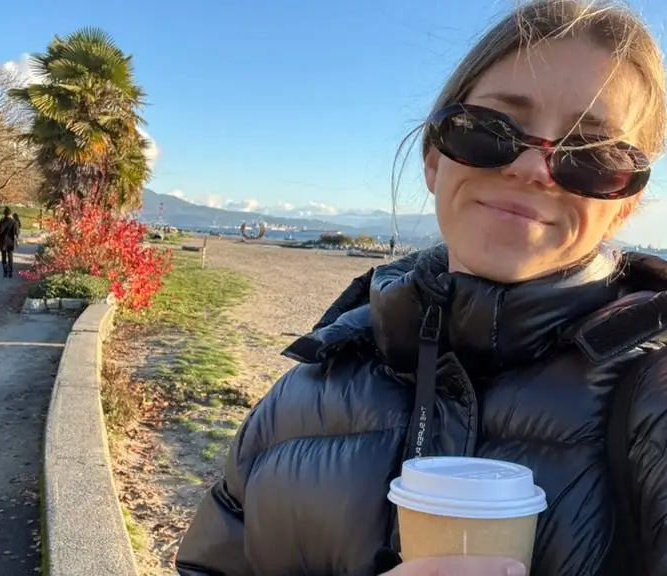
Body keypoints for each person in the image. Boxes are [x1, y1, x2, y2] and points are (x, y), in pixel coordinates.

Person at [177, 1, 667, 575]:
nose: (535, 170)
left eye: (593, 155)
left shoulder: (652, 397)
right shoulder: (305, 390)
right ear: (434, 156)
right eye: (490, 131)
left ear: (624, 204)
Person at [0, 207, 18, 278]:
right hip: (10, 242)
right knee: (10, 257)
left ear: (4, 214)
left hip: (3, 241)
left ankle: (5, 271)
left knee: (3, 256)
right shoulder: (14, 222)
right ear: (10, 213)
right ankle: (10, 272)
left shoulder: (2, 221)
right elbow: (16, 232)